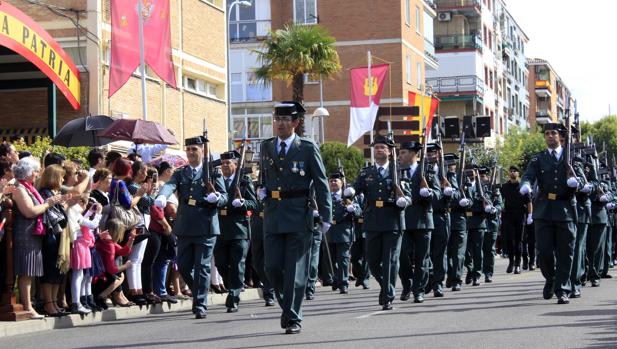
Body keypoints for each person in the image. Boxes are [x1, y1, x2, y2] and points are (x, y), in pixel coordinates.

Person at [257, 101, 331, 334]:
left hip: (299, 214)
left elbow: (321, 183)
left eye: (285, 120)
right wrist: (261, 190)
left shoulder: (307, 147)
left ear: (296, 122)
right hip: (273, 214)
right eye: (277, 119)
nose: (280, 124)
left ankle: (294, 317)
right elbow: (264, 177)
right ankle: (287, 308)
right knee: (272, 267)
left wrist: (326, 215)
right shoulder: (266, 146)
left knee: (296, 271)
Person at [155, 135, 228, 320]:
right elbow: (170, 185)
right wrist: (162, 195)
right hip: (185, 224)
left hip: (206, 224)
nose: (191, 153)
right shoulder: (182, 172)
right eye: (188, 150)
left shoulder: (213, 172)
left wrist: (217, 198)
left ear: (202, 151)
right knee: (185, 266)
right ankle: (199, 292)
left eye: (194, 149)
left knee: (202, 266)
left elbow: (225, 196)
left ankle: (200, 303)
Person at [520, 123, 584, 304]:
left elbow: (580, 178)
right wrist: (525, 185)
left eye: (553, 133)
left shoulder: (571, 157)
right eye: (547, 133)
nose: (549, 136)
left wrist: (575, 182)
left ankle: (562, 289)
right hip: (545, 209)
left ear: (560, 136)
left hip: (565, 209)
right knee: (544, 252)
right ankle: (551, 277)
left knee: (566, 252)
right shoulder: (538, 159)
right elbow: (528, 175)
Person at [345, 135, 410, 311]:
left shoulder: (398, 170)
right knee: (373, 261)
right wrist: (349, 190)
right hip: (372, 220)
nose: (378, 150)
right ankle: (385, 286)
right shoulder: (366, 172)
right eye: (376, 147)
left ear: (389, 151)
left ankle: (388, 295)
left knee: (390, 260)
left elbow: (408, 193)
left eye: (382, 147)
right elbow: (356, 187)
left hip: (393, 220)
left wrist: (404, 201)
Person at [12, 157, 65, 319]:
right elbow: (29, 211)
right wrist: (48, 203)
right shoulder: (20, 188)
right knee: (26, 271)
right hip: (25, 234)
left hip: (33, 234)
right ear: (28, 172)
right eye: (35, 170)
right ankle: (28, 306)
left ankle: (29, 305)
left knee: (31, 271)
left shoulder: (29, 187)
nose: (37, 174)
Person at [398, 141, 441, 303]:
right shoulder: (397, 171)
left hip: (423, 218)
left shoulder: (428, 172)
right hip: (402, 219)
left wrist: (428, 193)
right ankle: (407, 282)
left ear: (413, 153)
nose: (400, 156)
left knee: (422, 258)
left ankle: (419, 290)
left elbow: (438, 193)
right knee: (402, 254)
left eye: (403, 152)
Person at [214, 150, 257, 312]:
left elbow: (254, 204)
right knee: (221, 263)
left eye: (228, 163)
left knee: (237, 264)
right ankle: (232, 285)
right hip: (220, 229)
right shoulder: (216, 180)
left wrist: (243, 203)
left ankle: (234, 295)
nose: (224, 166)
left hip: (239, 229)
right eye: (223, 163)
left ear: (236, 165)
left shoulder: (244, 181)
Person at [109, 158, 150, 305]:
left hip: (113, 221)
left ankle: (119, 293)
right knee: (119, 256)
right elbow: (128, 204)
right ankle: (119, 293)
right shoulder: (120, 184)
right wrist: (139, 194)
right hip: (120, 223)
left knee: (117, 256)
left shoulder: (112, 182)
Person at [324, 171, 361, 294]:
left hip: (344, 231)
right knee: (330, 259)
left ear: (342, 182)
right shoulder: (325, 196)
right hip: (329, 231)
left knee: (343, 258)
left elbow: (358, 212)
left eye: (336, 180)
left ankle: (343, 282)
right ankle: (336, 278)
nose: (333, 182)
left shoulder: (348, 196)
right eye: (331, 181)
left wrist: (353, 208)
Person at [67, 196, 102, 314]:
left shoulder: (74, 212)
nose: (84, 206)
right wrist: (98, 213)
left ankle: (77, 302)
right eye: (84, 203)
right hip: (80, 245)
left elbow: (83, 221)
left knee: (80, 275)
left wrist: (91, 211)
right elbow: (92, 225)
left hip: (80, 245)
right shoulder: (73, 211)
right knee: (78, 275)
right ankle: (76, 303)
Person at [93, 219, 136, 309]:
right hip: (99, 279)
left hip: (97, 275)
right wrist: (126, 266)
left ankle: (114, 296)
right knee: (119, 275)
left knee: (119, 274)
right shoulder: (109, 245)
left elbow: (122, 252)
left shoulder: (105, 240)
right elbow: (111, 269)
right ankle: (100, 297)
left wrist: (131, 240)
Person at [445, 154, 473, 291]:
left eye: (452, 163)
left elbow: (471, 199)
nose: (450, 166)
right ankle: (449, 274)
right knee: (445, 252)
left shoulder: (462, 178)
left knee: (458, 254)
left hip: (459, 220)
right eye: (447, 163)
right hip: (444, 219)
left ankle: (456, 279)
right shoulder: (439, 177)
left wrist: (466, 202)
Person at [501, 165, 532, 274]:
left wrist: (530, 215)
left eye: (515, 171)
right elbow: (501, 201)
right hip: (508, 215)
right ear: (509, 173)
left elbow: (529, 202)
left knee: (519, 241)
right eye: (511, 171)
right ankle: (511, 262)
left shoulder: (523, 186)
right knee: (509, 240)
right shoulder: (504, 187)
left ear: (518, 174)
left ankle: (518, 264)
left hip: (520, 215)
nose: (513, 173)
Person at [250, 182, 275, 306]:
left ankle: (269, 292)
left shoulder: (271, 199)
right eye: (258, 189)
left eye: (261, 189)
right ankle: (269, 286)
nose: (259, 192)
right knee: (257, 263)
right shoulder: (253, 200)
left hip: (270, 232)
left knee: (269, 264)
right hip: (256, 233)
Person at [479, 167, 503, 283]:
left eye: (483, 176)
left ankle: (488, 273)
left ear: (488, 177)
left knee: (489, 250)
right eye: (480, 176)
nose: (482, 178)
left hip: (491, 223)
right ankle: (476, 273)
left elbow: (500, 204)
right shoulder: (476, 188)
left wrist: (495, 209)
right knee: (478, 250)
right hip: (479, 222)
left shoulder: (494, 189)